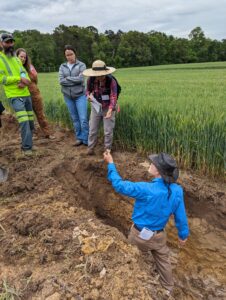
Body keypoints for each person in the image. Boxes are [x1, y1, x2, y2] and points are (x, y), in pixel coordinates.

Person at [103, 151, 189, 294]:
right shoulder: (177, 190)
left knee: (131, 256)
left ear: (159, 171)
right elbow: (181, 216)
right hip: (159, 236)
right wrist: (183, 235)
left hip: (139, 235)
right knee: (164, 261)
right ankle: (168, 289)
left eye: (153, 163)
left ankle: (135, 283)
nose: (151, 164)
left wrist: (111, 163)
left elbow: (119, 185)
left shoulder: (146, 189)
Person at [0, 33, 34, 155]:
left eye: (11, 42)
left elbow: (23, 72)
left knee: (30, 121)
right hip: (14, 96)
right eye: (7, 42)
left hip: (25, 93)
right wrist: (18, 79)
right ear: (1, 44)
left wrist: (24, 81)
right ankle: (26, 148)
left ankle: (29, 144)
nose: (10, 44)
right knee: (24, 121)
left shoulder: (16, 58)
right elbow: (1, 79)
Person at [16, 48, 54, 139]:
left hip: (34, 93)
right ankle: (31, 134)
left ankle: (47, 133)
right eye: (21, 56)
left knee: (40, 114)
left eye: (25, 57)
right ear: (16, 56)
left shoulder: (30, 67)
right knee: (26, 116)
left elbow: (35, 79)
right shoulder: (14, 68)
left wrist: (27, 81)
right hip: (21, 94)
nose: (23, 59)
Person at [83, 60, 118, 155]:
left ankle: (107, 150)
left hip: (108, 107)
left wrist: (110, 110)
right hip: (96, 107)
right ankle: (90, 148)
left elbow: (113, 96)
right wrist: (88, 97)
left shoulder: (111, 81)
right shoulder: (90, 80)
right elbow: (87, 92)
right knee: (92, 129)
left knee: (108, 131)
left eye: (101, 75)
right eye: (97, 75)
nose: (99, 77)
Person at [59, 45, 88, 146]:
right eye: (67, 55)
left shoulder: (81, 65)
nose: (69, 57)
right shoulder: (62, 66)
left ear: (75, 54)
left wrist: (68, 78)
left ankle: (86, 140)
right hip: (68, 96)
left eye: (71, 54)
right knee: (75, 119)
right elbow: (61, 81)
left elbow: (81, 79)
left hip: (80, 95)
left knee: (83, 118)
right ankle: (79, 138)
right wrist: (73, 79)